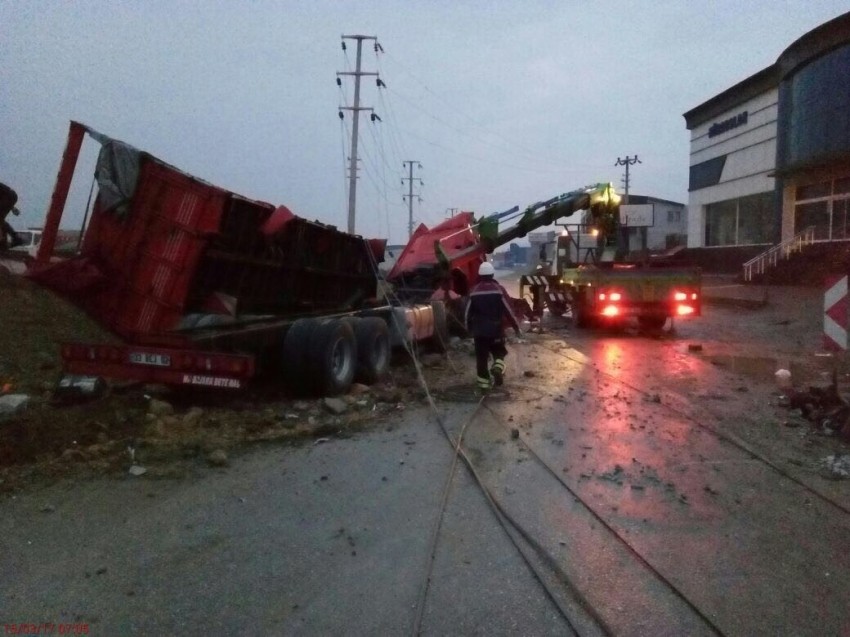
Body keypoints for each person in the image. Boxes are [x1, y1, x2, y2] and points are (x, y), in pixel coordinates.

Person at [465, 261, 522, 392]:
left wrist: (468, 329)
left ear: (480, 275)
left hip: (479, 332)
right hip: (496, 330)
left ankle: (483, 386)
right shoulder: (498, 290)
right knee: (499, 352)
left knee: (481, 358)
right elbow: (508, 311)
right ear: (492, 274)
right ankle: (497, 368)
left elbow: (467, 313)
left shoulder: (473, 291)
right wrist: (516, 328)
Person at [0, 182, 22, 249]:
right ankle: (4, 242)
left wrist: (11, 207)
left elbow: (5, 195)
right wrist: (12, 207)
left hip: (8, 196)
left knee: (0, 220)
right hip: (9, 196)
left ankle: (14, 239)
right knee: (1, 220)